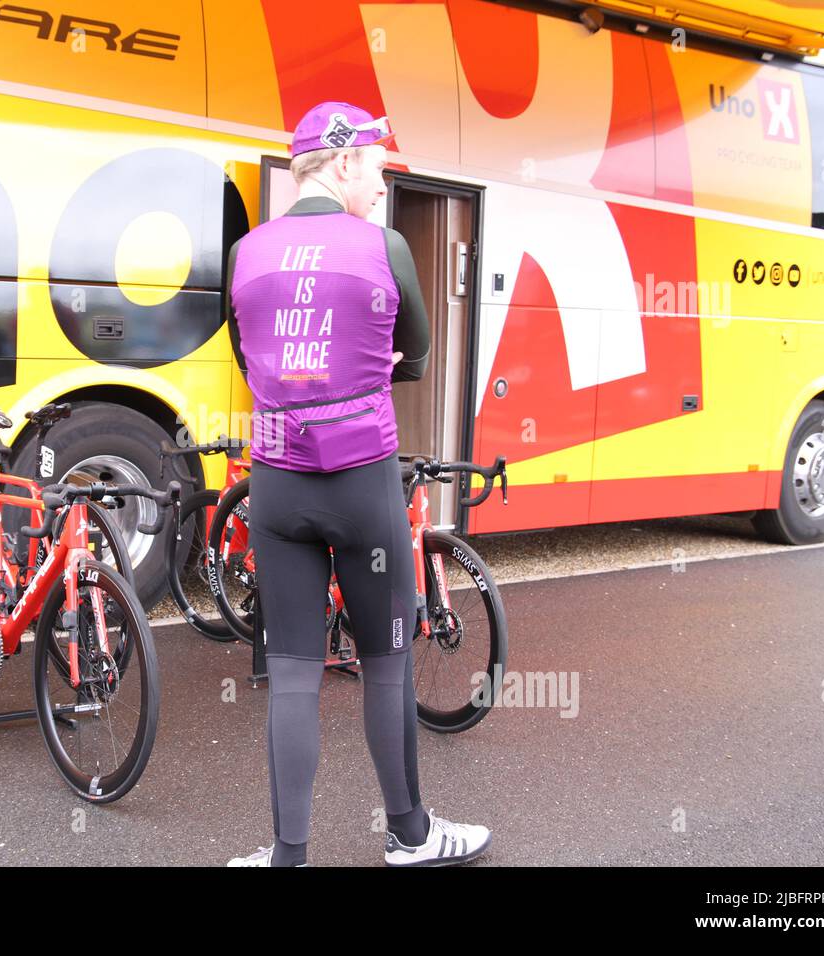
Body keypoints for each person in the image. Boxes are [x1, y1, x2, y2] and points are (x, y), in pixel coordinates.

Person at [222, 102, 492, 867]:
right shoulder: (387, 247)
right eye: (376, 167)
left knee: (296, 675)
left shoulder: (247, 253)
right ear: (342, 163)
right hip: (363, 482)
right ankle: (409, 836)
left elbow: (249, 358)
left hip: (277, 488)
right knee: (386, 662)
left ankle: (288, 855)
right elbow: (420, 354)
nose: (380, 185)